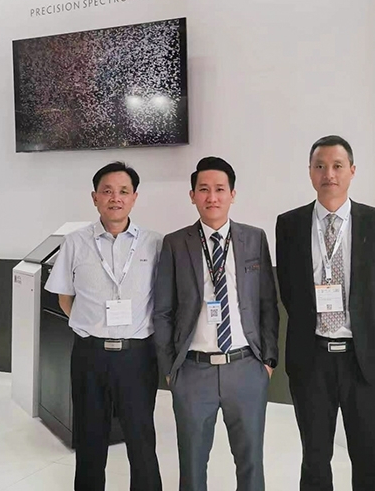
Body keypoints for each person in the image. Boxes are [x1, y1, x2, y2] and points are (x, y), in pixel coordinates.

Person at [275, 135, 375, 491]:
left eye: (337, 166)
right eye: (320, 166)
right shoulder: (290, 224)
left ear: (352, 171)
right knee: (314, 459)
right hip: (311, 358)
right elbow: (289, 291)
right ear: (310, 173)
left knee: (369, 459)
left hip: (364, 359)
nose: (329, 174)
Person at [154, 156, 279, 491]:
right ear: (192, 195)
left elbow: (268, 303)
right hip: (193, 371)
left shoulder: (254, 238)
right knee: (193, 465)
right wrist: (171, 369)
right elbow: (162, 310)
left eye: (220, 189)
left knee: (251, 463)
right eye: (204, 189)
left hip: (246, 367)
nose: (212, 197)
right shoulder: (175, 243)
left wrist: (267, 360)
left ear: (232, 194)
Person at [45, 161, 163, 491]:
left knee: (141, 440)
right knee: (90, 441)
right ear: (94, 197)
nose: (115, 198)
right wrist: (92, 327)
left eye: (124, 191)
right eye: (107, 191)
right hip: (90, 355)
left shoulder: (154, 243)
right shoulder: (75, 242)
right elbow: (65, 298)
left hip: (137, 357)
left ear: (134, 197)